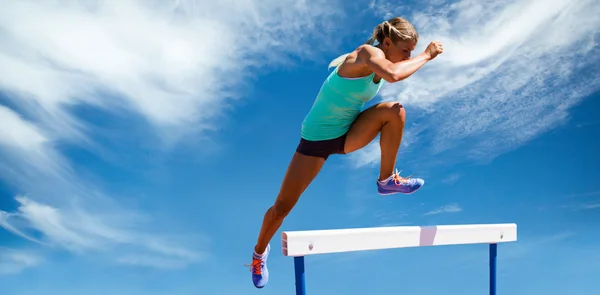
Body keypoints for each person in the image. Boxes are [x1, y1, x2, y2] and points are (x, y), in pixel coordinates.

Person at [248, 16, 443, 288]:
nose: (408, 56)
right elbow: (394, 75)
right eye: (405, 50)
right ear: (387, 43)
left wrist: (415, 56)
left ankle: (386, 181)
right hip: (316, 141)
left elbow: (392, 72)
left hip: (348, 134)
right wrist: (426, 55)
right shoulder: (367, 54)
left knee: (395, 112)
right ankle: (258, 253)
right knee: (282, 208)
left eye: (412, 51)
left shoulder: (383, 61)